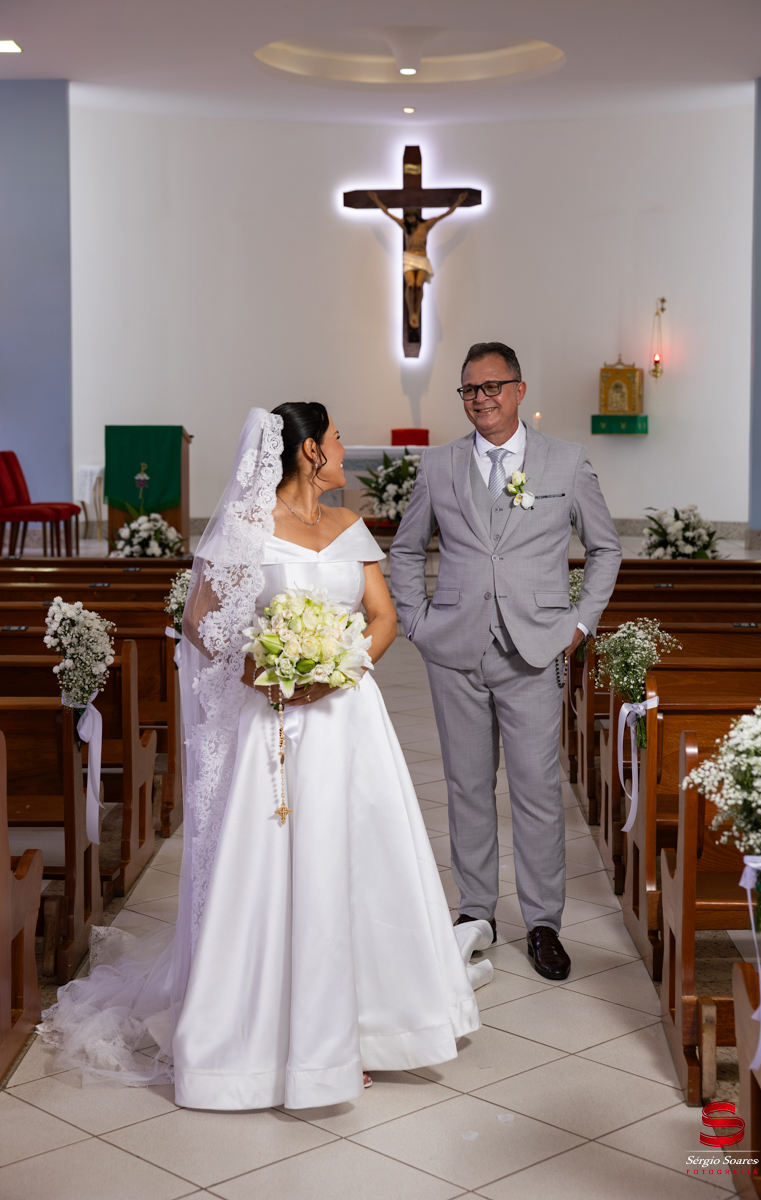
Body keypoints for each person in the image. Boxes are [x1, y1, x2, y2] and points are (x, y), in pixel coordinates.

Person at [38, 404, 493, 1111]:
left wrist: (340, 666)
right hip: (275, 723)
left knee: (362, 858)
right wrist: (260, 669)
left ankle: (374, 1027)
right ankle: (270, 1036)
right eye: (336, 438)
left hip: (349, 718)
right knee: (278, 864)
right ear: (309, 451)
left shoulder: (349, 526)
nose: (343, 448)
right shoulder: (246, 529)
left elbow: (383, 619)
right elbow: (200, 620)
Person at [390, 342, 622, 981]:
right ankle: (476, 913)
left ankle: (544, 922)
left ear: (519, 390)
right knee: (466, 785)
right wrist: (417, 622)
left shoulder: (566, 462)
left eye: (492, 386)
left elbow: (605, 548)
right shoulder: (438, 465)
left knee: (536, 789)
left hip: (535, 649)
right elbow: (404, 550)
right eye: (470, 389)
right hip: (455, 649)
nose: (481, 398)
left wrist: (578, 623)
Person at [367, 190, 468, 329]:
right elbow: (387, 213)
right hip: (409, 258)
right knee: (410, 285)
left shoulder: (425, 225)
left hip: (422, 258)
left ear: (415, 216)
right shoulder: (404, 226)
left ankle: (416, 312)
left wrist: (459, 201)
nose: (410, 220)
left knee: (419, 285)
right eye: (408, 219)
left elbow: (445, 214)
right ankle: (411, 313)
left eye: (411, 218)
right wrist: (376, 200)